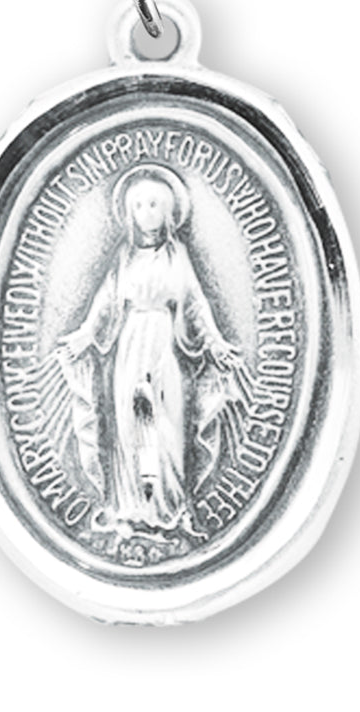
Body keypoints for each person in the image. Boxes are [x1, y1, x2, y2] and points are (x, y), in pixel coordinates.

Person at [55, 163, 241, 535]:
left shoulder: (178, 257)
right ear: (129, 213)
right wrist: (87, 334)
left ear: (169, 211)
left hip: (164, 345)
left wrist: (214, 341)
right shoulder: (123, 257)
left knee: (164, 425)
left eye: (154, 204)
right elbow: (106, 301)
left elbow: (195, 303)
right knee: (130, 424)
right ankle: (130, 509)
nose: (146, 213)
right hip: (129, 346)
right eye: (138, 205)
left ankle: (169, 509)